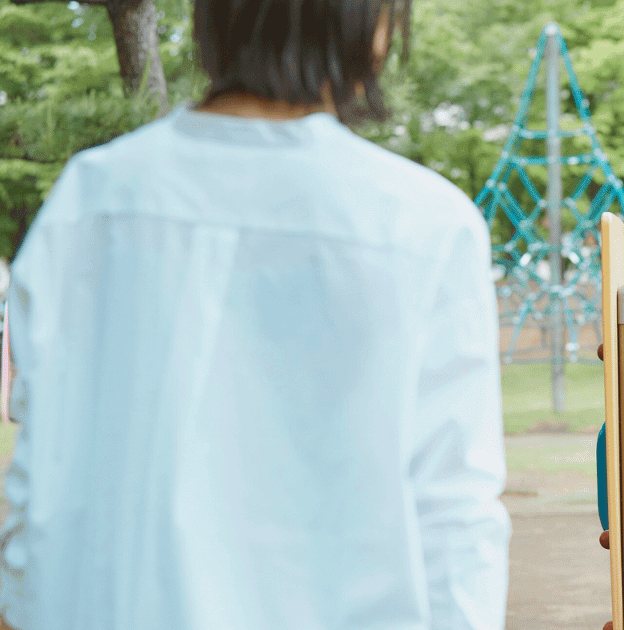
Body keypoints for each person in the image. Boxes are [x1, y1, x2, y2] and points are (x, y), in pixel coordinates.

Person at [0, 0, 509, 627]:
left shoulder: (92, 197)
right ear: (369, 26)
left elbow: (39, 471)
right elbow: (453, 507)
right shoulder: (423, 221)